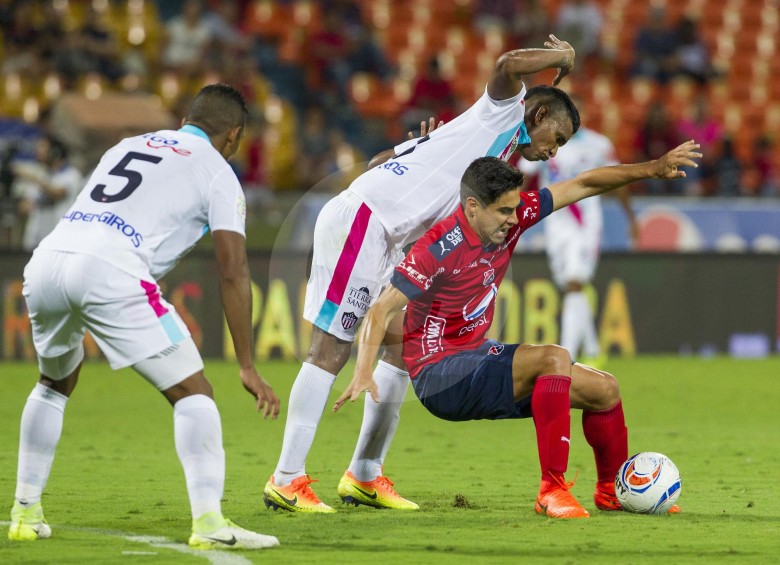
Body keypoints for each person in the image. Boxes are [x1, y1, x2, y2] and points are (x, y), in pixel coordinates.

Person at [263, 35, 580, 514]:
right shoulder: (502, 113)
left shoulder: (486, 159)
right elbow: (507, 63)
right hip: (364, 223)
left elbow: (377, 164)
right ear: (536, 117)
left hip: (385, 234)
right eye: (555, 138)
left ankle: (365, 475)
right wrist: (562, 58)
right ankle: (287, 478)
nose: (553, 151)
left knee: (398, 351)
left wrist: (418, 153)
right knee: (330, 350)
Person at [336, 143, 701, 518]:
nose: (514, 219)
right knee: (553, 357)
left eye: (515, 208)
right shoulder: (439, 248)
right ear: (473, 207)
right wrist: (363, 371)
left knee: (604, 389)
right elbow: (381, 309)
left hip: (474, 356)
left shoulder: (515, 215)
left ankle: (611, 490)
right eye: (504, 211)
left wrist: (652, 167)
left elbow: (584, 184)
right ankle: (552, 491)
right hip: (439, 374)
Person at [8, 84, 281, 550]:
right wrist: (248, 365)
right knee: (195, 392)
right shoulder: (217, 171)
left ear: (186, 120)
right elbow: (233, 271)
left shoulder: (129, 145)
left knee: (54, 383)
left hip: (48, 261)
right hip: (110, 269)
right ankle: (211, 523)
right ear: (233, 137)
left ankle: (25, 512)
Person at [519, 107, 637, 368]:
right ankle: (593, 348)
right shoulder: (543, 139)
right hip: (554, 223)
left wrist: (631, 218)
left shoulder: (597, 144)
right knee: (569, 286)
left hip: (584, 222)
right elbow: (523, 177)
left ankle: (567, 355)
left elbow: (618, 178)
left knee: (574, 283)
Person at [15, 136, 83, 252]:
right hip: (35, 239)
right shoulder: (43, 174)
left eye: (43, 147)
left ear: (55, 151)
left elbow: (58, 193)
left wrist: (34, 179)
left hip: (59, 241)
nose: (38, 151)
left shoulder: (71, 174)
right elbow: (24, 206)